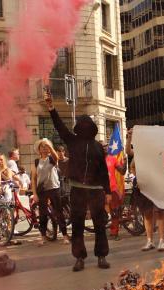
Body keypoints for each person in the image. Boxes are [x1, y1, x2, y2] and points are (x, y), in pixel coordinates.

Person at [46, 90, 112, 272]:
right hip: (77, 190)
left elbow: (104, 171)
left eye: (87, 125)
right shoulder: (72, 141)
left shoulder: (98, 146)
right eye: (81, 125)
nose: (84, 127)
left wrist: (107, 192)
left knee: (100, 224)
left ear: (91, 128)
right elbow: (59, 126)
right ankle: (79, 258)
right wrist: (51, 108)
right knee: (77, 225)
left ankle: (101, 256)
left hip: (96, 190)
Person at [31, 138, 69, 244]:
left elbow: (56, 157)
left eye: (45, 147)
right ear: (38, 149)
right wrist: (34, 194)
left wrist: (49, 145)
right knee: (43, 214)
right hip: (42, 190)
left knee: (58, 212)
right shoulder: (36, 162)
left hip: (54, 188)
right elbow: (33, 179)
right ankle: (43, 236)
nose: (44, 148)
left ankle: (65, 236)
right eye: (42, 147)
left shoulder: (52, 159)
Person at [130, 160, 164, 251]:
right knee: (147, 214)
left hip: (156, 180)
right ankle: (149, 241)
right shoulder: (135, 179)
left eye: (134, 169)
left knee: (160, 212)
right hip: (145, 187)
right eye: (133, 170)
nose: (133, 171)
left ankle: (162, 241)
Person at [103, 141, 127, 241]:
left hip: (112, 189)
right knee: (99, 212)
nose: (104, 148)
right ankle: (102, 233)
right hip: (99, 190)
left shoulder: (112, 159)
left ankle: (115, 232)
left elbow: (122, 171)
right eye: (102, 146)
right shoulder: (95, 160)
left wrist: (125, 162)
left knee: (115, 212)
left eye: (105, 146)